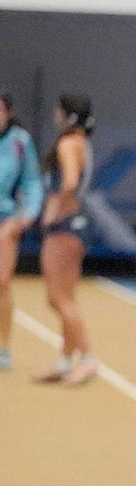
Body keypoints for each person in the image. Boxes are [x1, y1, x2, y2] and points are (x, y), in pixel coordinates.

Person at [37, 93, 96, 386]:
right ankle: (65, 359)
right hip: (76, 224)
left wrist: (54, 209)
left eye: (58, 109)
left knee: (58, 298)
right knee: (64, 298)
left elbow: (71, 181)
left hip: (65, 226)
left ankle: (86, 359)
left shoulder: (67, 144)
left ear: (67, 114)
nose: (54, 113)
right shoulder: (81, 143)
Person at [0, 90, 43, 373]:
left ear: (8, 113)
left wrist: (25, 216)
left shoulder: (19, 142)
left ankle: (2, 346)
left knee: (1, 283)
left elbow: (31, 182)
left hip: (5, 220)